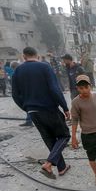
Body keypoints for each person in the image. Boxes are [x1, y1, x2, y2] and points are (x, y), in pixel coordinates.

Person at [12, 47, 71, 179]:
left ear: (24, 56)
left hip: (33, 112)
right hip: (48, 109)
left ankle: (61, 168)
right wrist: (65, 107)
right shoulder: (44, 67)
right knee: (64, 136)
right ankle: (48, 164)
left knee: (49, 139)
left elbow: (15, 95)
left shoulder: (17, 71)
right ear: (37, 55)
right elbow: (55, 89)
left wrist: (27, 108)